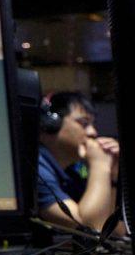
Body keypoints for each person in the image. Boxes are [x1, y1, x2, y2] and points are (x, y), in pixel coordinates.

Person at [36, 91, 122, 232]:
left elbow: (114, 230)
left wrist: (112, 175)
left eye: (92, 124)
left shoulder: (74, 170)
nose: (93, 132)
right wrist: (100, 165)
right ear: (50, 123)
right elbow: (90, 227)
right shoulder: (36, 167)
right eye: (84, 123)